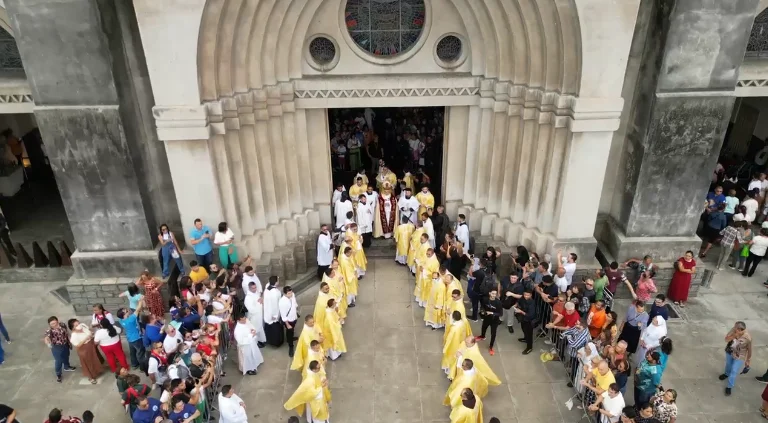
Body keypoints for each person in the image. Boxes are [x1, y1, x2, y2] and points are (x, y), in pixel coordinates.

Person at [720, 321, 752, 396]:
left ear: (740, 329)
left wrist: (748, 360)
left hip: (740, 355)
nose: (734, 328)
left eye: (735, 328)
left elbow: (750, 350)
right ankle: (726, 374)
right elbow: (726, 339)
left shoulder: (748, 338)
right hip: (730, 351)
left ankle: (729, 386)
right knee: (728, 364)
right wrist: (734, 335)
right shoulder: (733, 331)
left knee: (734, 370)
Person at [67, 319, 103, 384]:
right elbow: (77, 345)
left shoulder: (83, 326)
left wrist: (91, 334)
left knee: (94, 359)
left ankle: (97, 371)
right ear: (73, 328)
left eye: (78, 323)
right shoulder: (74, 335)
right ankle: (91, 377)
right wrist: (85, 339)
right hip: (84, 349)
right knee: (88, 363)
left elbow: (89, 330)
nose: (79, 326)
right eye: (76, 325)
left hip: (91, 345)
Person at [44, 316, 76, 383]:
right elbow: (46, 338)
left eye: (55, 323)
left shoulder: (62, 325)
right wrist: (48, 344)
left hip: (65, 344)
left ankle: (66, 367)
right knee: (58, 361)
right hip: (57, 347)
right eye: (52, 324)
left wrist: (71, 340)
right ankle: (58, 374)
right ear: (49, 325)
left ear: (57, 321)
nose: (54, 325)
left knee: (66, 355)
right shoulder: (49, 331)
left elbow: (67, 333)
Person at [117, 302, 146, 370]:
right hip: (136, 338)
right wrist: (140, 300)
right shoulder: (130, 320)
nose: (128, 311)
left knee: (132, 352)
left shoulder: (121, 320)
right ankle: (142, 367)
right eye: (127, 311)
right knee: (140, 353)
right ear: (124, 315)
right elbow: (137, 310)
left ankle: (134, 364)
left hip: (130, 338)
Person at [476, 289, 503, 355]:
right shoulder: (485, 299)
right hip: (487, 318)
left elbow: (500, 313)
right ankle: (482, 336)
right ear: (489, 293)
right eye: (492, 293)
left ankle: (491, 347)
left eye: (495, 294)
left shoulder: (498, 302)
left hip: (494, 321)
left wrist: (492, 313)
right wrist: (482, 311)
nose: (494, 295)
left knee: (493, 333)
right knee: (483, 327)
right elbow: (482, 306)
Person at [243, 281, 266, 347]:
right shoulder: (248, 298)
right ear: (249, 288)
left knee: (260, 328)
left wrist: (261, 300)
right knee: (255, 329)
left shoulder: (256, 293)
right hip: (253, 317)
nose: (255, 289)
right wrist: (259, 303)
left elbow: (260, 299)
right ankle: (256, 343)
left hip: (259, 315)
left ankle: (261, 340)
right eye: (253, 288)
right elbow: (251, 309)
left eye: (255, 287)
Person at [263, 276, 284, 347]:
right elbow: (275, 305)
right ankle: (276, 342)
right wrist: (275, 315)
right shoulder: (275, 293)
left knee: (268, 327)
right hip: (273, 313)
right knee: (275, 329)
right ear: (276, 283)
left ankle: (269, 339)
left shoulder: (267, 287)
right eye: (278, 280)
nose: (279, 281)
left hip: (267, 311)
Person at [513, 290, 535, 355]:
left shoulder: (532, 303)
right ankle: (525, 339)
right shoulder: (522, 298)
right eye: (525, 294)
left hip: (529, 320)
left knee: (529, 334)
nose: (526, 296)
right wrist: (516, 304)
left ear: (531, 295)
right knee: (523, 329)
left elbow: (531, 315)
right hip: (523, 318)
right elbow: (519, 301)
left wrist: (521, 311)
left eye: (527, 295)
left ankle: (529, 347)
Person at [279, 286, 299, 357]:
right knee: (289, 331)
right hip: (289, 320)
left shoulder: (292, 295)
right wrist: (287, 324)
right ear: (284, 294)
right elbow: (283, 315)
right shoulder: (282, 302)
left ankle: (290, 338)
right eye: (289, 293)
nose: (291, 294)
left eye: (291, 292)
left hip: (294, 317)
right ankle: (291, 345)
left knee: (292, 330)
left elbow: (294, 303)